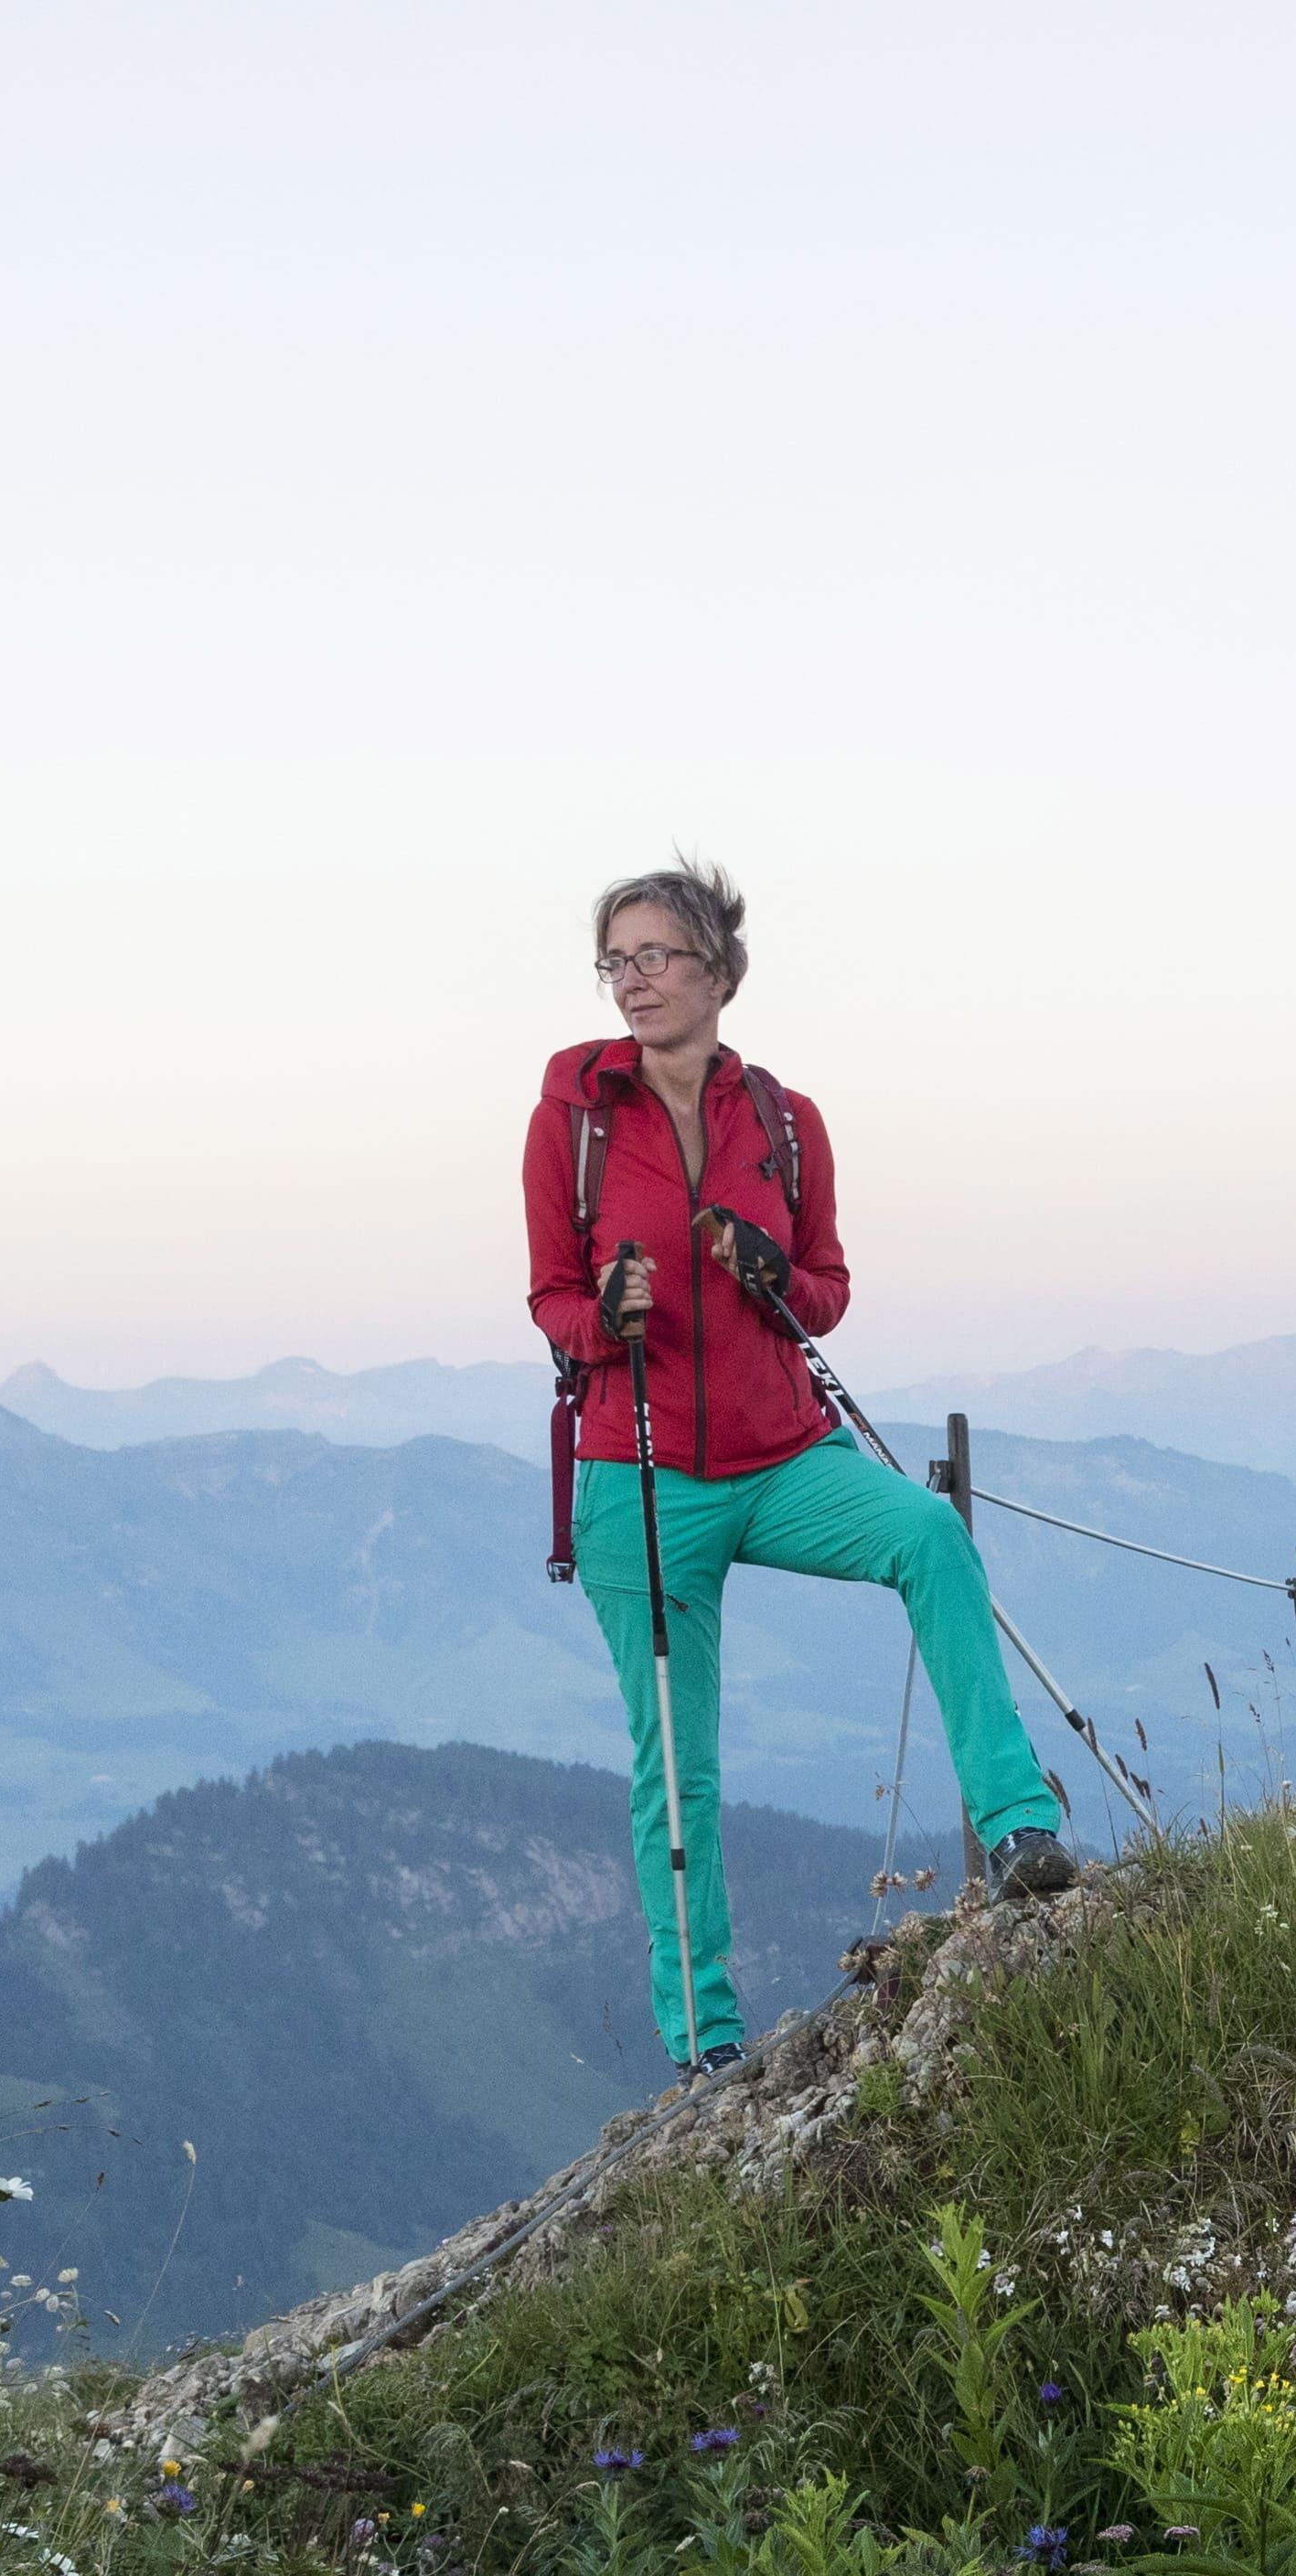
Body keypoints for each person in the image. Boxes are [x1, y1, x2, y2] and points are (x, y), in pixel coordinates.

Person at [525, 861, 1075, 2079]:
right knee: (678, 1766)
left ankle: (1020, 1826)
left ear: (720, 971)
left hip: (784, 1456)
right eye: (616, 960)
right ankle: (706, 2042)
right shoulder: (573, 1118)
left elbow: (826, 1291)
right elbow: (549, 1296)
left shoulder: (784, 1122)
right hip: (640, 1473)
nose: (632, 980)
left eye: (656, 955)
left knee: (928, 1535)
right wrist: (602, 1317)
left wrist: (772, 1270)